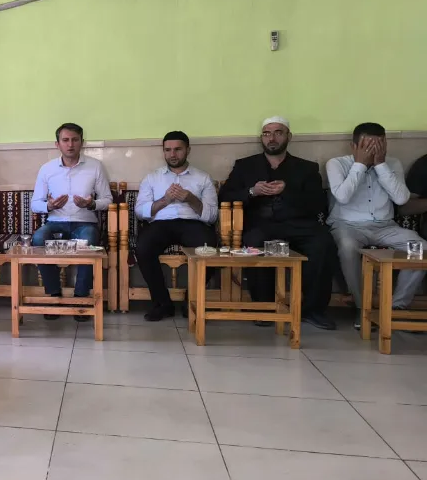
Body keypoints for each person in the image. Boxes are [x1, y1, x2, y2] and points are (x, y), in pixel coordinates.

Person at [218, 116, 337, 330]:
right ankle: (264, 308)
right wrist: (252, 191)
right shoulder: (245, 166)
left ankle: (313, 310)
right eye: (267, 133)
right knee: (254, 242)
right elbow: (225, 197)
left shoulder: (306, 168)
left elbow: (318, 203)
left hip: (298, 225)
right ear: (261, 138)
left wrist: (287, 190)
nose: (271, 138)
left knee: (323, 243)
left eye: (278, 133)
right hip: (261, 225)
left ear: (289, 136)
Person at [327, 123, 426, 326]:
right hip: (347, 225)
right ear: (354, 146)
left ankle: (396, 307)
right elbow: (343, 197)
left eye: (380, 145)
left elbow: (401, 199)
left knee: (422, 248)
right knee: (347, 247)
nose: (374, 151)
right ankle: (362, 307)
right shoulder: (336, 164)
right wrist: (360, 165)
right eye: (368, 146)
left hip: (385, 227)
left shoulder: (392, 163)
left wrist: (381, 166)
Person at [134, 131, 218, 321]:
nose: (172, 154)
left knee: (209, 248)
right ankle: (162, 304)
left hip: (193, 224)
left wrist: (191, 199)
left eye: (178, 149)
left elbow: (212, 216)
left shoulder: (203, 178)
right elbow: (140, 211)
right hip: (161, 224)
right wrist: (165, 200)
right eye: (168, 150)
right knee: (143, 248)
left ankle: (191, 301)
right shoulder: (152, 178)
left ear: (188, 150)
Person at [31, 123, 111, 320]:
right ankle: (54, 295)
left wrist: (91, 204)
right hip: (55, 222)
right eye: (65, 140)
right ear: (57, 144)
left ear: (82, 142)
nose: (70, 144)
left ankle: (80, 298)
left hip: (84, 223)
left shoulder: (95, 166)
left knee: (90, 238)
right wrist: (49, 205)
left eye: (75, 140)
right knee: (39, 238)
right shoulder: (47, 169)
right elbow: (35, 204)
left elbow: (107, 200)